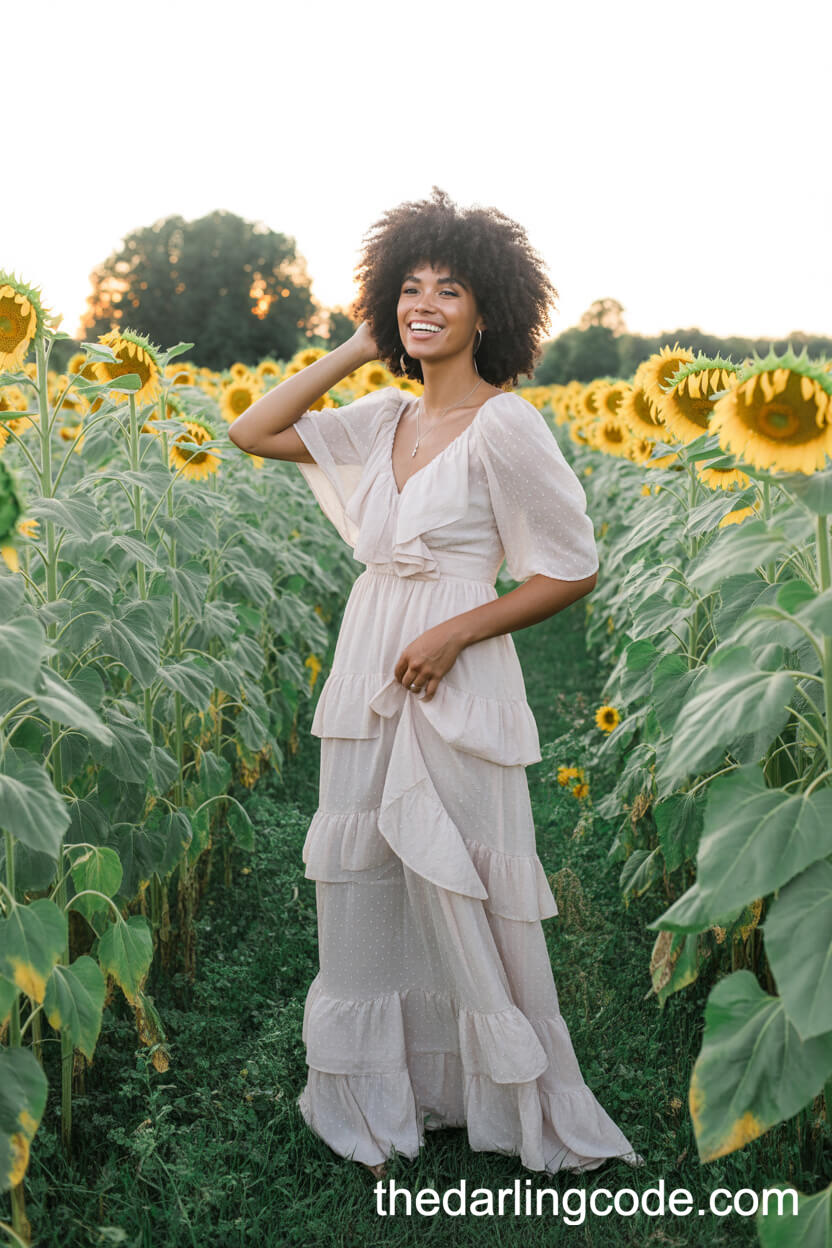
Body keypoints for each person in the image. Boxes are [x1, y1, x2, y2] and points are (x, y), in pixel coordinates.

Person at [228, 187, 643, 1179]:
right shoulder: (379, 417)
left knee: (463, 871)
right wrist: (358, 346)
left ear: (487, 311)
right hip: (371, 648)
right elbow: (253, 430)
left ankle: (504, 1088)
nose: (425, 304)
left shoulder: (507, 428)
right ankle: (386, 1089)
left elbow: (569, 565)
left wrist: (459, 630)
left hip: (455, 663)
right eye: (407, 288)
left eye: (446, 290)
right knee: (367, 872)